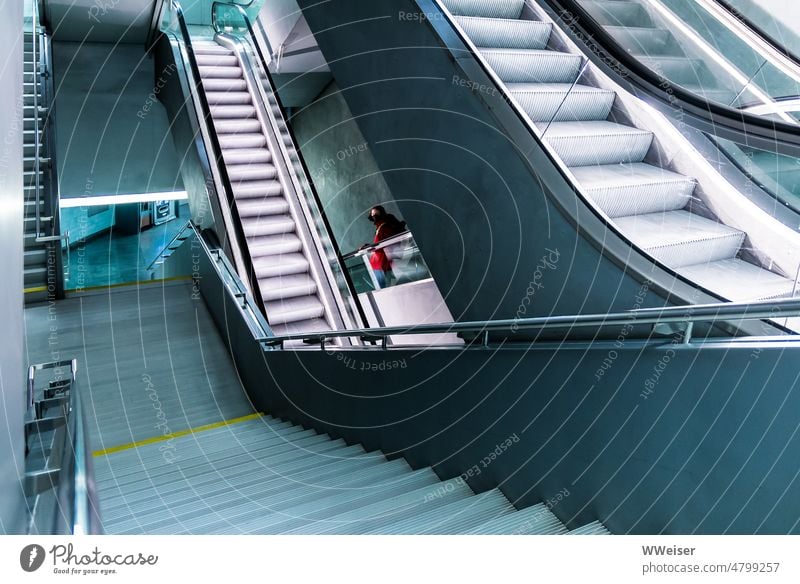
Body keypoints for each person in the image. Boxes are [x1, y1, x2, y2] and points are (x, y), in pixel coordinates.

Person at [365, 205, 406, 289]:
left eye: (375, 214)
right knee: (386, 289)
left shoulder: (384, 227)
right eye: (372, 214)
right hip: (380, 265)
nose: (373, 216)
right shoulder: (380, 228)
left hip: (382, 265)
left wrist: (370, 247)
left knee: (385, 290)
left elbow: (387, 245)